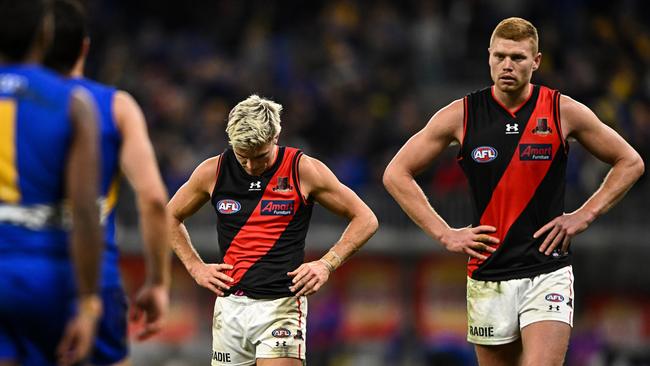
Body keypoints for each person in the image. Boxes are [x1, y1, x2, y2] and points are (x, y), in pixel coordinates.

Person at [383, 17, 644, 366]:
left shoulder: (561, 110)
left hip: (546, 270)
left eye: (518, 58)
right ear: (488, 56)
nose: (507, 65)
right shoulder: (462, 115)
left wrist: (584, 214)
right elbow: (396, 173)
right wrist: (444, 234)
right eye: (500, 56)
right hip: (488, 275)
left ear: (536, 62)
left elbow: (630, 162)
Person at [168, 94, 378, 366]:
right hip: (230, 307)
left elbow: (366, 218)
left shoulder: (301, 169)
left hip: (282, 306)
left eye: (261, 157)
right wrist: (195, 267)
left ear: (275, 137)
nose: (252, 166)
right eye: (243, 158)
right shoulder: (213, 172)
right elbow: (168, 216)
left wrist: (326, 264)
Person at [42, 0, 172, 364]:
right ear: (84, 47)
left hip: (19, 274)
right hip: (97, 280)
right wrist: (158, 282)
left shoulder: (12, 105)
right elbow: (153, 200)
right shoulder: (116, 106)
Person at [0, 0, 104, 365]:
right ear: (44, 34)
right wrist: (89, 304)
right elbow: (86, 213)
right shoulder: (73, 103)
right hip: (44, 274)